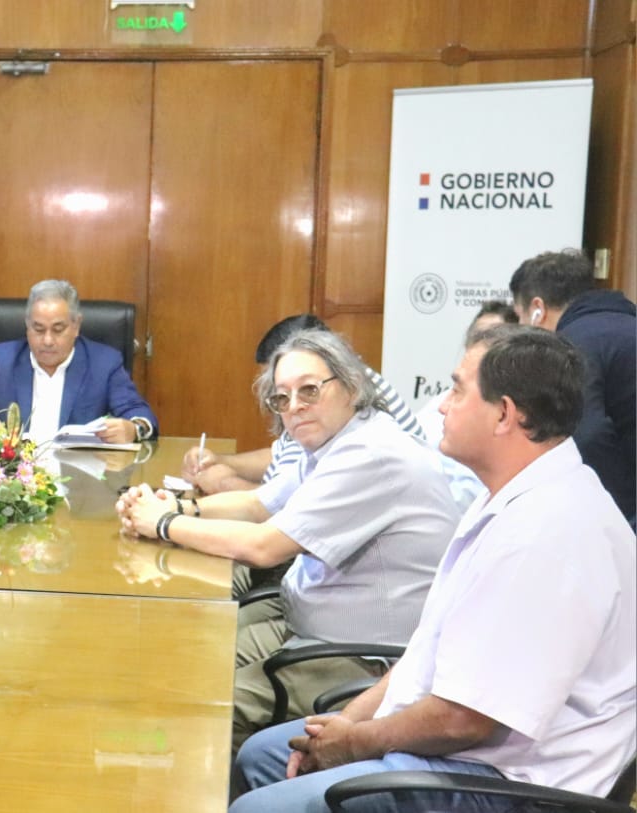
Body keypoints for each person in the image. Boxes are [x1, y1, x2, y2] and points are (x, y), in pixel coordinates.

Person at [231, 326, 636, 813]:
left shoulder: (548, 532)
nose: (442, 405)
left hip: (503, 779)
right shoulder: (507, 500)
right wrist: (343, 727)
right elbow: (426, 653)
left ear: (504, 414)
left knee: (258, 806)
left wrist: (357, 743)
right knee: (264, 755)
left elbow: (465, 720)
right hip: (454, 744)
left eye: (457, 389)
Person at [117, 328, 457, 750]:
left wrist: (164, 524)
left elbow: (264, 546)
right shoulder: (339, 439)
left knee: (202, 704)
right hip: (304, 623)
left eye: (309, 390)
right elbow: (261, 504)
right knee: (182, 653)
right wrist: (179, 507)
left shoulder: (372, 453)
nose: (294, 407)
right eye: (282, 398)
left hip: (362, 660)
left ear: (350, 385)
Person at [183, 314, 424, 495]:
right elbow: (283, 459)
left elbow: (282, 512)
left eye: (307, 389)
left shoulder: (359, 424)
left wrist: (224, 484)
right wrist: (222, 461)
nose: (295, 404)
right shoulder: (341, 384)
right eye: (281, 393)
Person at [509, 249, 635, 524]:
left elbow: (588, 435)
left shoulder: (574, 342)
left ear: (537, 310)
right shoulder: (625, 326)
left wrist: (616, 519)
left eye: (519, 317)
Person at [0, 280, 157, 444]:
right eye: (38, 329)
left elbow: (139, 412)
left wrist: (134, 429)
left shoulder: (104, 363)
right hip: (15, 479)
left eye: (58, 330)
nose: (47, 340)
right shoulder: (1, 359)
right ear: (27, 326)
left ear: (76, 326)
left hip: (80, 483)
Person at [414, 300, 519, 510]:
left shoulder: (506, 422)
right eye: (478, 337)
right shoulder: (442, 402)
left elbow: (466, 496)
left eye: (494, 339)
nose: (445, 407)